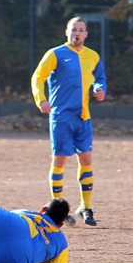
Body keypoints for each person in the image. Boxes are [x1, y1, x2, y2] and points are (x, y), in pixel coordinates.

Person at [31, 17, 107, 227]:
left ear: (86, 34)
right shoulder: (55, 54)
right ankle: (57, 209)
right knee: (60, 161)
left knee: (86, 159)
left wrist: (100, 90)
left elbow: (100, 78)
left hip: (83, 117)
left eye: (81, 30)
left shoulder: (92, 56)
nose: (77, 33)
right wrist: (42, 99)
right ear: (67, 32)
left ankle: (86, 207)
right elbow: (37, 77)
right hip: (61, 117)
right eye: (74, 29)